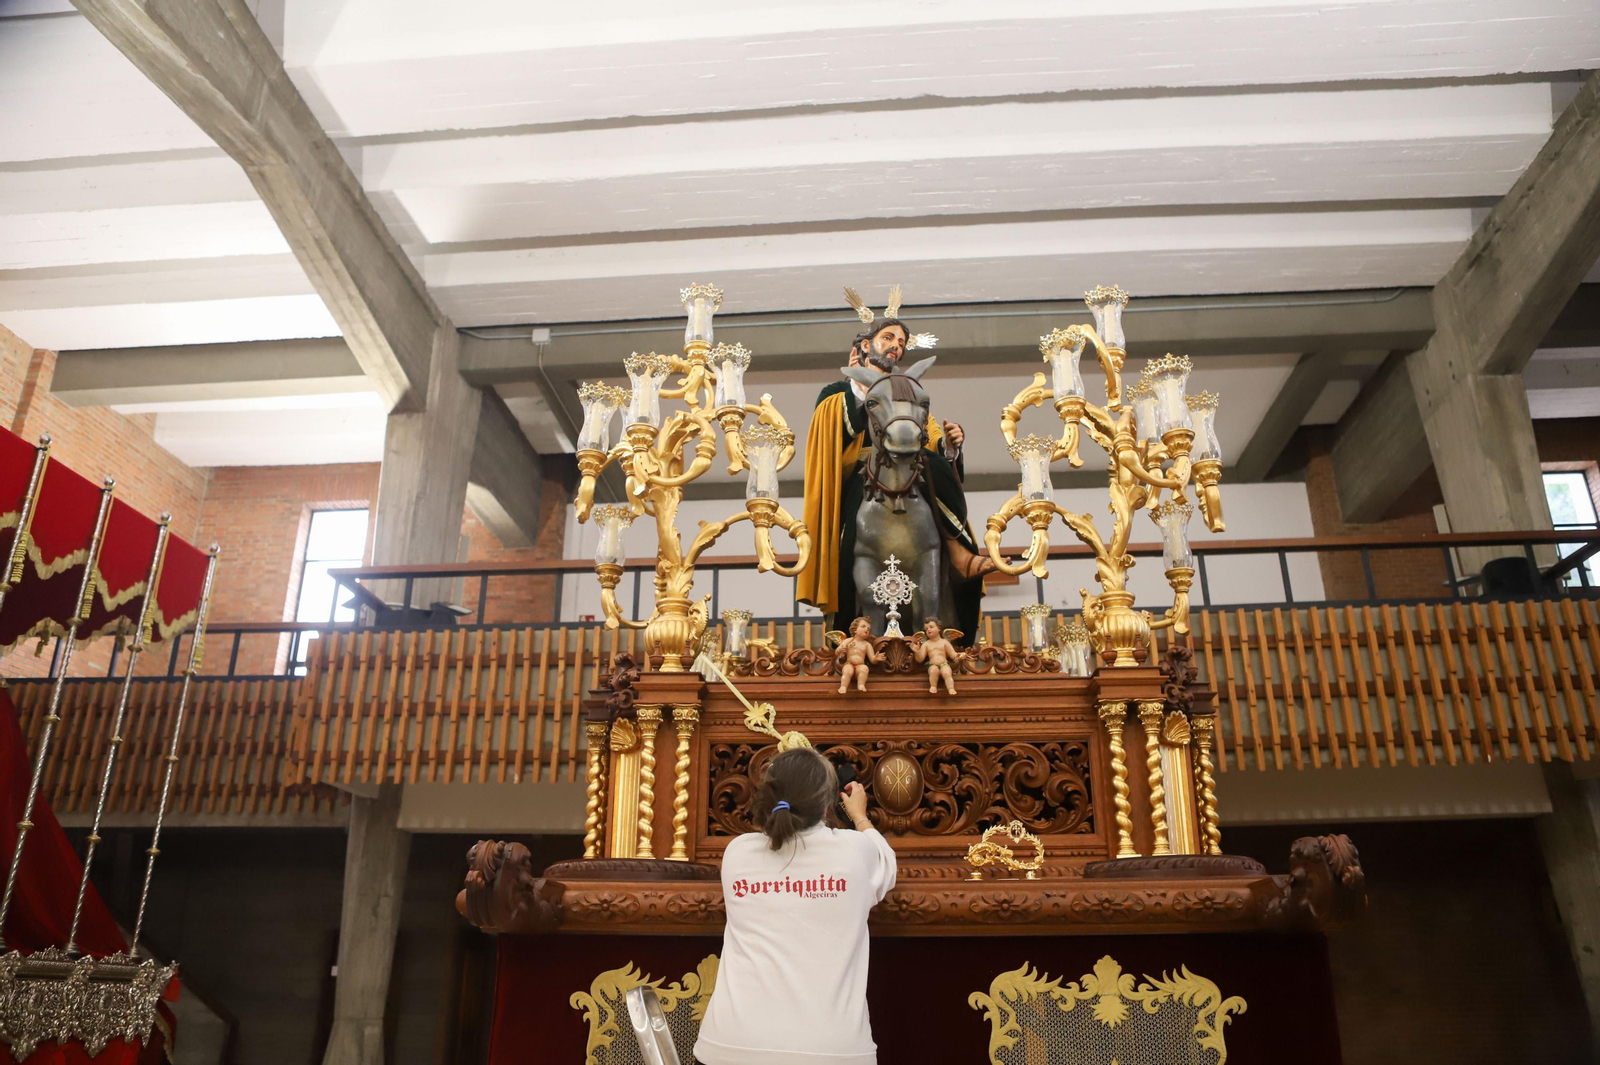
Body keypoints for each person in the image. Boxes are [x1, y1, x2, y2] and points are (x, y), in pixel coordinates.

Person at [796, 289, 993, 639]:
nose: (896, 347)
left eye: (901, 343)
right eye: (887, 338)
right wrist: (867, 397)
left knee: (933, 462)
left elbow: (924, 432)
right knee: (852, 529)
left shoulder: (905, 389)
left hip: (909, 468)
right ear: (862, 348)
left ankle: (955, 545)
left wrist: (948, 446)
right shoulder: (837, 393)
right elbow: (831, 434)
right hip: (859, 475)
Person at [694, 747, 897, 1065]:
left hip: (731, 1046)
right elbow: (886, 864)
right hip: (831, 1051)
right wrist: (859, 816)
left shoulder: (737, 853)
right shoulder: (855, 851)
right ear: (827, 803)